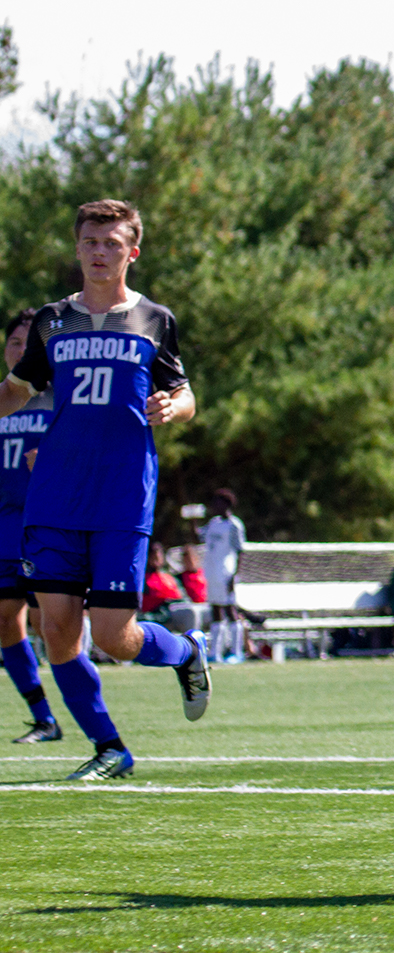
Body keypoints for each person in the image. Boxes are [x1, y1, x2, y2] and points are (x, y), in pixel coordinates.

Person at [0, 199, 210, 781]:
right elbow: (16, 390)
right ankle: (109, 748)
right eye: (91, 242)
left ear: (132, 252)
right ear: (77, 248)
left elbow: (186, 395)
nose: (100, 252)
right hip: (54, 496)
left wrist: (174, 408)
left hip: (121, 495)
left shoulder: (154, 319)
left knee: (116, 638)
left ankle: (187, 651)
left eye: (112, 243)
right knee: (59, 631)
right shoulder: (52, 320)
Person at [0, 307, 60, 743]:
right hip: (6, 528)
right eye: (15, 343)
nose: (22, 351)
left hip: (48, 528)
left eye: (30, 344)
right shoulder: (2, 400)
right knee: (5, 620)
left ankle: (93, 719)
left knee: (51, 625)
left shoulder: (62, 397)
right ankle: (44, 719)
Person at [197, 488, 247, 663]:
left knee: (230, 610)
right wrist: (193, 520)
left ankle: (236, 651)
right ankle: (215, 653)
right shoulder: (213, 523)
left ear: (226, 504)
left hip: (226, 572)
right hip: (212, 571)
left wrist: (234, 576)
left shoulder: (234, 525)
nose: (213, 506)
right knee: (215, 610)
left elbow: (240, 551)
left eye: (217, 502)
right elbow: (199, 537)